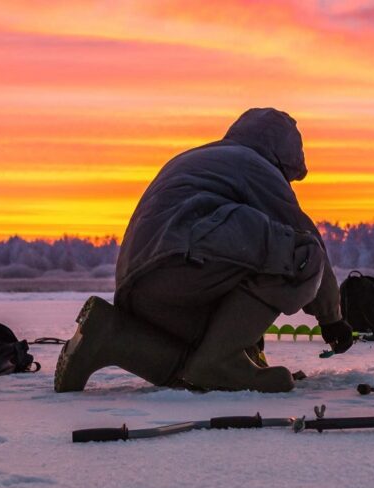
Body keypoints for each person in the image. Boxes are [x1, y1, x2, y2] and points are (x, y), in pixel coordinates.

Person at [54, 108, 352, 393]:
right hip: (183, 267)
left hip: (143, 290)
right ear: (283, 156)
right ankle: (221, 360)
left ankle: (110, 335)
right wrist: (332, 319)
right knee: (301, 253)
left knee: (192, 368)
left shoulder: (200, 158)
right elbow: (309, 245)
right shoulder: (253, 164)